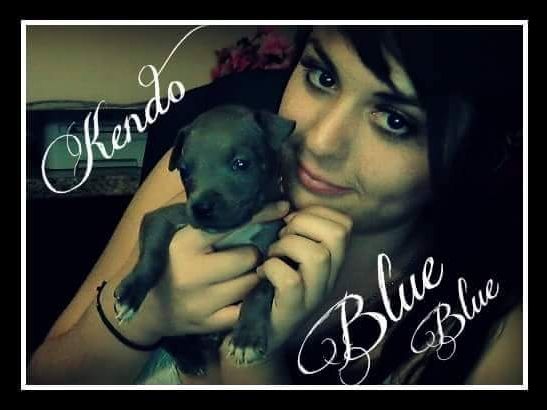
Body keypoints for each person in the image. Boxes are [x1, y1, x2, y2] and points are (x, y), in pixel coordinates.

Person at [29, 25, 524, 385]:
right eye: (322, 76)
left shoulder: (490, 336)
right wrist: (145, 314)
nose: (320, 141)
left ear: (480, 155)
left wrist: (253, 359)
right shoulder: (207, 178)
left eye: (395, 120)